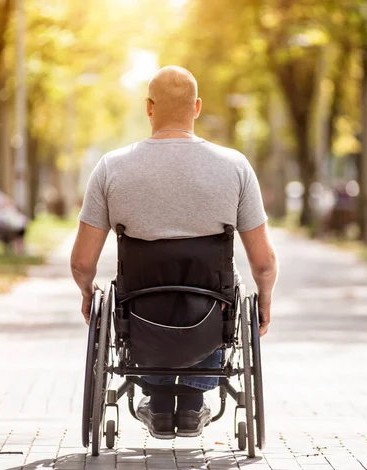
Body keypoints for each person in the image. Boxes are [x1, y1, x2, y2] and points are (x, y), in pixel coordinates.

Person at [71, 66, 278, 439]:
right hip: (210, 319)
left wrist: (88, 294)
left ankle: (160, 403)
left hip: (140, 318)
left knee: (134, 302)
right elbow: (263, 262)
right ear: (196, 108)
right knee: (222, 297)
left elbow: (82, 262)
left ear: (148, 108)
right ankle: (193, 403)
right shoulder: (234, 167)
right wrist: (264, 299)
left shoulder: (111, 168)